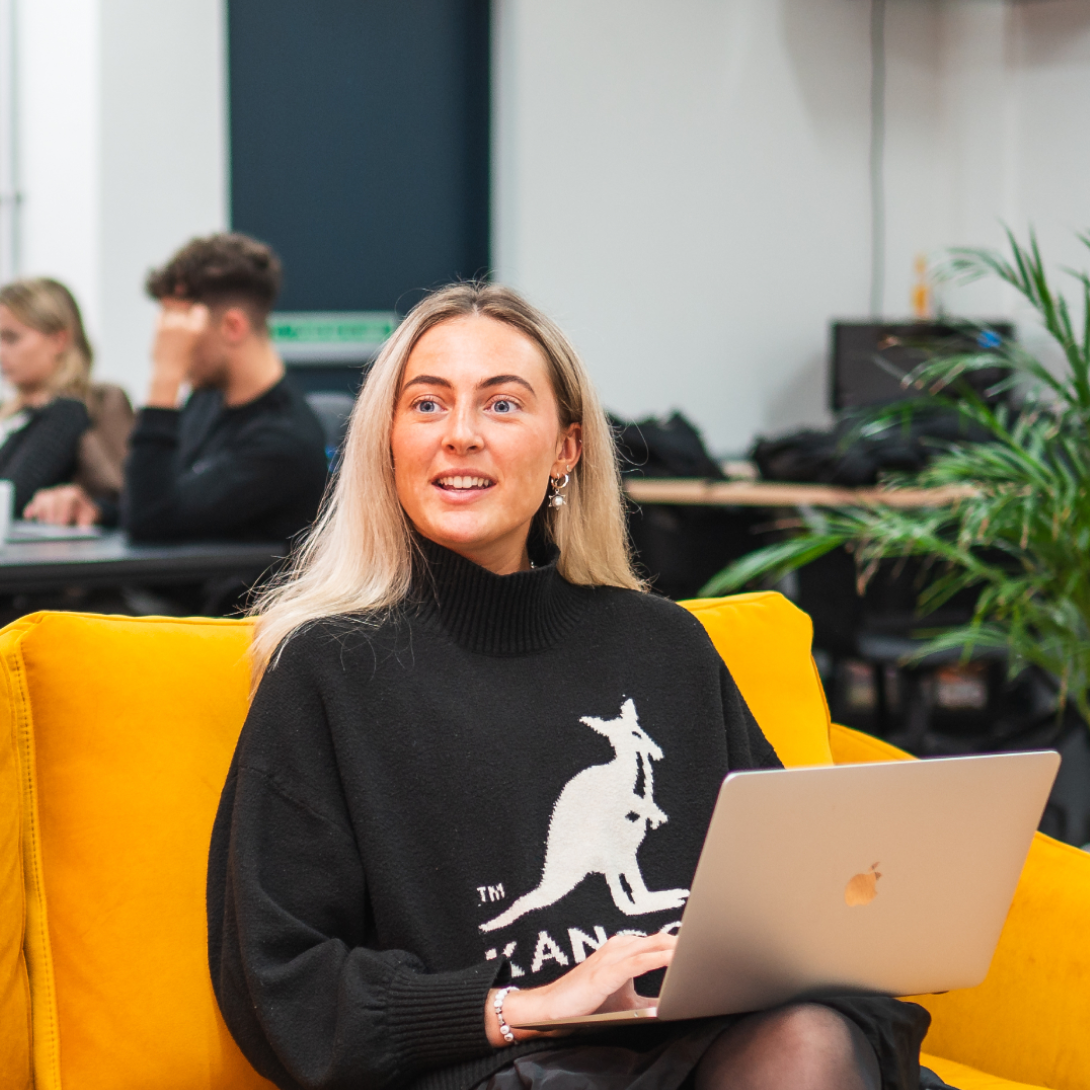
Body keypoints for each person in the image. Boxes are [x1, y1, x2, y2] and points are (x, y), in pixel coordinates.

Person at [207, 283, 939, 1090]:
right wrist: (527, 1006)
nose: (459, 435)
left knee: (811, 1039)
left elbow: (786, 880)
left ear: (566, 450)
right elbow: (284, 978)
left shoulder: (664, 643)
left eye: (502, 405)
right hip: (501, 1060)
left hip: (696, 1038)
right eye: (426, 404)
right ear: (387, 443)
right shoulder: (328, 667)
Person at [29, 233, 328, 541]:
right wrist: (99, 511)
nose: (166, 345)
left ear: (232, 327)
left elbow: (150, 521)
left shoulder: (284, 443)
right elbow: (166, 500)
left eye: (178, 331)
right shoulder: (207, 400)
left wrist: (166, 375)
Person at [0, 278, 110, 517]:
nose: (1, 351)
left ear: (58, 340)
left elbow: (12, 495)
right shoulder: (12, 411)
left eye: (11, 338)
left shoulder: (65, 412)